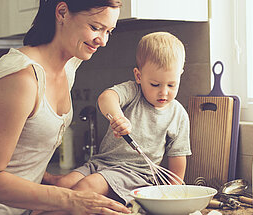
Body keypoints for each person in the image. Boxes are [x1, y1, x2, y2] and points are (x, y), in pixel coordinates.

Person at [0, 0, 131, 214]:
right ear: (62, 12)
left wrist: (47, 179)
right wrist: (70, 198)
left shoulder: (69, 65)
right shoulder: (20, 78)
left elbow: (22, 148)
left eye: (109, 31)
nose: (103, 41)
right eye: (95, 27)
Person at [44, 32, 192, 205]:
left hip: (135, 174)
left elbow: (178, 158)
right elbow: (106, 98)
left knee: (87, 186)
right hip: (102, 162)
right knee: (63, 184)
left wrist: (172, 197)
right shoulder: (133, 92)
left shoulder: (178, 114)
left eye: (171, 85)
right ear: (138, 76)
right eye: (155, 84)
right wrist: (118, 117)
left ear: (180, 75)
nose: (164, 92)